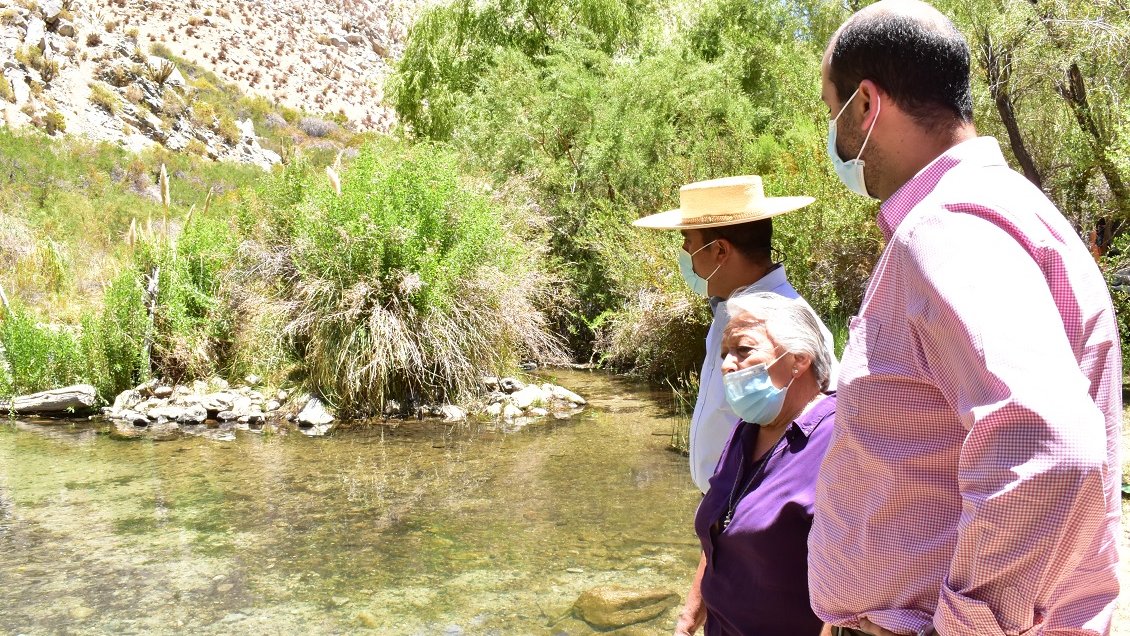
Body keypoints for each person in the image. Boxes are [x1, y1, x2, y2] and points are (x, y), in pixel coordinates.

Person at [807, 2, 1122, 636]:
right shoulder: (1008, 211)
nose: (834, 140)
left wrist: (968, 627)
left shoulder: (950, 227)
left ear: (866, 106)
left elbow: (1049, 449)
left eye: (831, 112)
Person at [633, 175, 838, 494]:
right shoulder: (733, 311)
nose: (684, 251)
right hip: (725, 512)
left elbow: (817, 439)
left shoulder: (787, 325)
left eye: (688, 240)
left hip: (753, 517)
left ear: (719, 251)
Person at [674, 292, 835, 635]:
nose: (727, 364)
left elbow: (854, 571)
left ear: (799, 359)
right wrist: (689, 619)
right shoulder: (746, 431)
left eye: (743, 350)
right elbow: (721, 533)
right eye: (724, 354)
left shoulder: (839, 439)